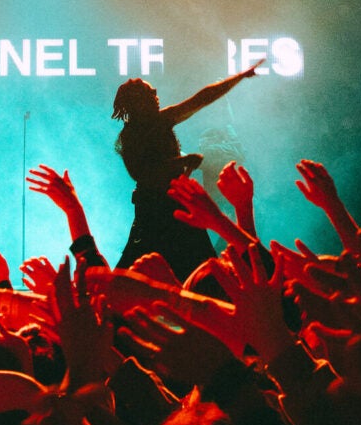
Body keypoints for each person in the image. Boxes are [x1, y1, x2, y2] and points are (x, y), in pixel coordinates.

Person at [111, 66, 258, 280]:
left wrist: (239, 77)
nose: (155, 94)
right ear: (138, 102)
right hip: (154, 212)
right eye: (149, 92)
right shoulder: (131, 135)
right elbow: (142, 174)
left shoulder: (163, 119)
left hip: (178, 203)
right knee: (138, 272)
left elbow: (202, 98)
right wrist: (182, 161)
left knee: (202, 269)